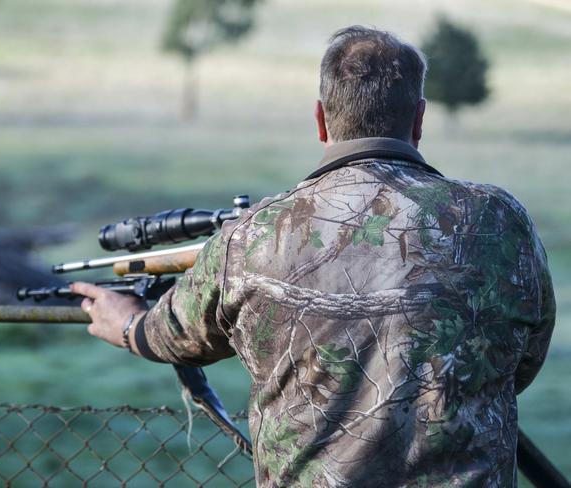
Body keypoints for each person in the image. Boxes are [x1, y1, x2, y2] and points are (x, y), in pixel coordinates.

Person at [72, 26, 555, 487]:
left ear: (321, 119)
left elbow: (174, 336)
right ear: (419, 119)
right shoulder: (499, 218)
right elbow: (523, 361)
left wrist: (128, 322)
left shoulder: (255, 234)